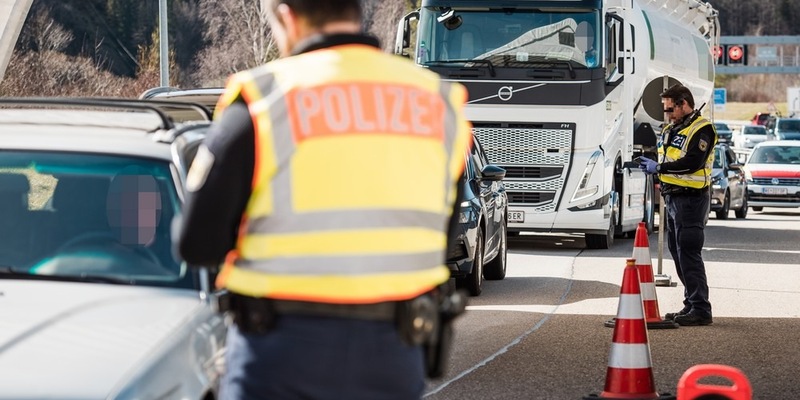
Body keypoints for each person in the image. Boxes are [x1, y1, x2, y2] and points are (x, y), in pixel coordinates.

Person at [174, 0, 473, 398]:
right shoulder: (438, 102)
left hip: (281, 353)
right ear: (356, 9)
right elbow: (444, 232)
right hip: (393, 354)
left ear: (285, 16)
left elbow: (197, 243)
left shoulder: (265, 99)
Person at [638, 84, 717, 327]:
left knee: (689, 253)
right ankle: (691, 303)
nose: (668, 114)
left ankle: (701, 309)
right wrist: (652, 165)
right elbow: (668, 157)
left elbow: (693, 161)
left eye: (671, 109)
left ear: (683, 103)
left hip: (691, 199)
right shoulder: (673, 128)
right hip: (673, 198)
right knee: (678, 252)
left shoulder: (702, 129)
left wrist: (659, 168)